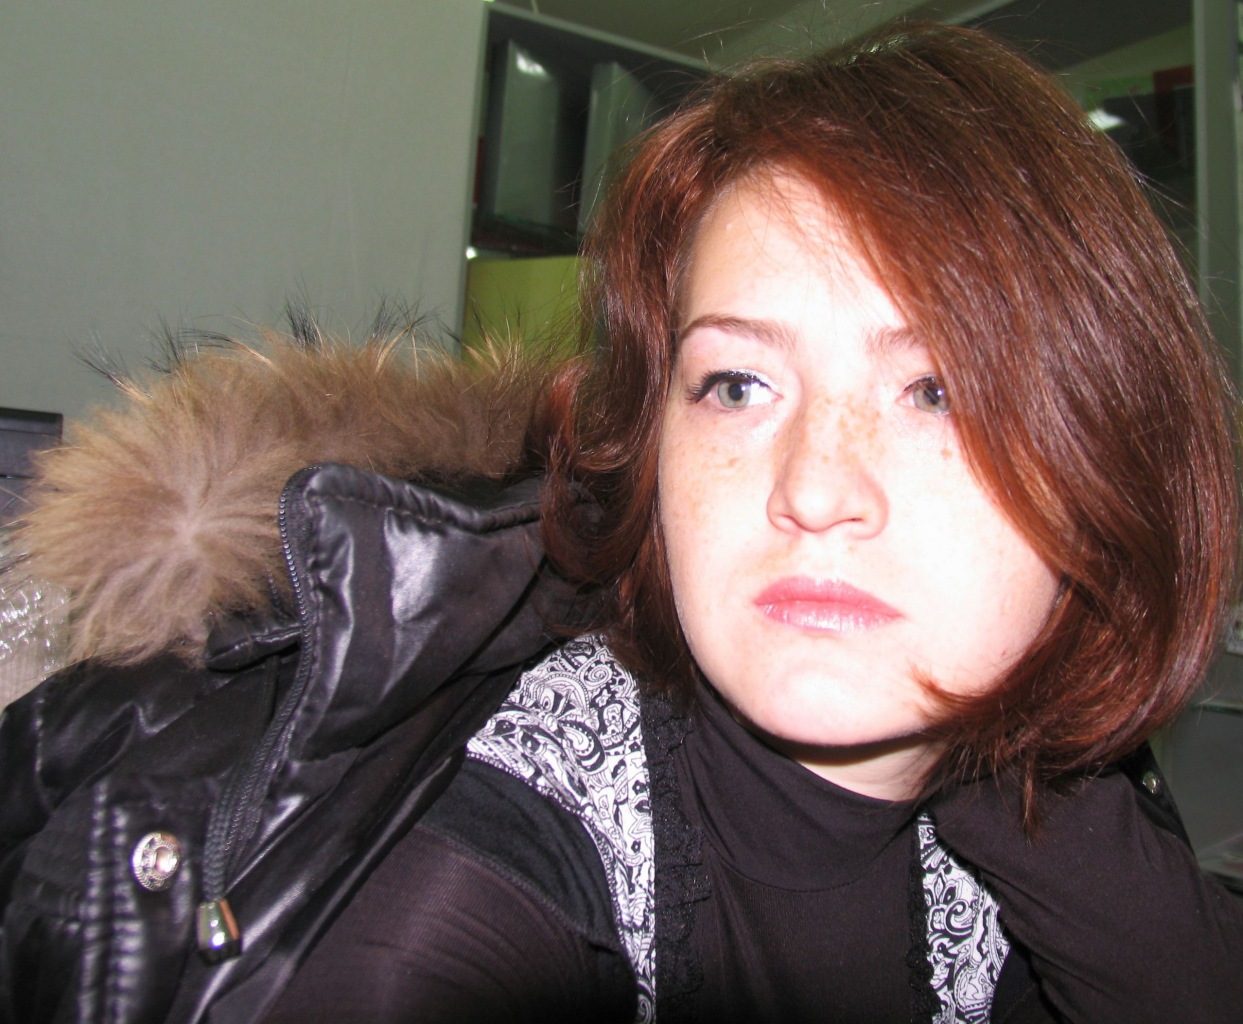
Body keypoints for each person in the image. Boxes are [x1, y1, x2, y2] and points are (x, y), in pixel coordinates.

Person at [1, 20, 1241, 1024]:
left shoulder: (1055, 801)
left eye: (938, 391)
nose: (813, 487)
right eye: (737, 385)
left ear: (1107, 451)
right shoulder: (486, 868)